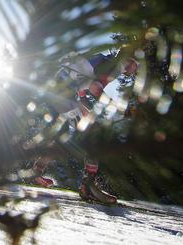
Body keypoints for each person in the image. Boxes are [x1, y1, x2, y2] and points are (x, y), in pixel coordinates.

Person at [30, 51, 139, 204]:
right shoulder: (115, 66)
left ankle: (36, 172)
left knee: (62, 135)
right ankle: (88, 187)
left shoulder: (102, 59)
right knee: (93, 133)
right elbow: (96, 89)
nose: (137, 70)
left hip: (56, 89)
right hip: (62, 94)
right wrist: (122, 109)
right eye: (137, 65)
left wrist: (85, 105)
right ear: (130, 61)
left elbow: (82, 89)